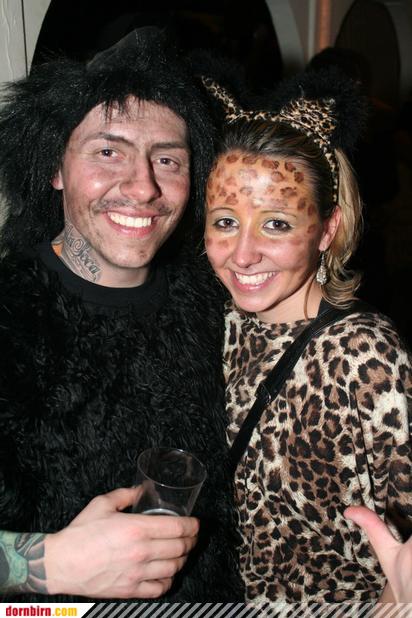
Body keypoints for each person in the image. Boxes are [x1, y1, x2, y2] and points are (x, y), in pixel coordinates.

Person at [0, 27, 243, 603]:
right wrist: (46, 565)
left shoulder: (220, 305)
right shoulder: (9, 316)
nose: (142, 187)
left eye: (168, 159)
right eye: (108, 151)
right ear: (56, 167)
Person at [201, 68, 412, 603]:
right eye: (225, 221)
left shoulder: (365, 354)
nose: (243, 255)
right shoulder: (213, 325)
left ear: (327, 228)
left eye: (276, 223)